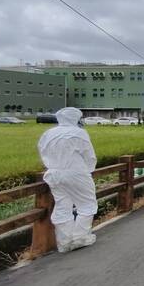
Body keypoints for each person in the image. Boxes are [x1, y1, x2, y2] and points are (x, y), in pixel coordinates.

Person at [37, 107, 98, 252]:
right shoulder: (79, 133)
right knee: (87, 204)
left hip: (54, 174)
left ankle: (64, 241)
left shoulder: (48, 134)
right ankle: (80, 238)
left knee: (62, 205)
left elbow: (43, 152)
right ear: (76, 118)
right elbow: (89, 156)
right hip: (76, 172)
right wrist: (89, 170)